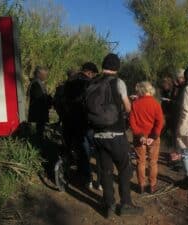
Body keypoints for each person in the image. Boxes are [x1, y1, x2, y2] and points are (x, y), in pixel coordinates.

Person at [91, 53, 144, 218]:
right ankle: (126, 204)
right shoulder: (118, 82)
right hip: (116, 134)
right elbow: (128, 108)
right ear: (117, 67)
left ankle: (109, 205)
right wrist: (129, 102)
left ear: (103, 66)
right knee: (124, 168)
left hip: (98, 134)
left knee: (105, 171)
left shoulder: (93, 82)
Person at [63, 62, 100, 189]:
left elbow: (64, 101)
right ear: (89, 72)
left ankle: (84, 174)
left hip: (71, 121)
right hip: (86, 122)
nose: (92, 76)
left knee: (81, 148)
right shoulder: (88, 83)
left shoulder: (69, 82)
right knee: (91, 148)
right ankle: (91, 177)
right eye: (93, 74)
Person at [129, 81, 164, 194]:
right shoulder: (156, 104)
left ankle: (141, 186)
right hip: (153, 137)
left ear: (141, 90)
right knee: (153, 162)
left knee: (141, 162)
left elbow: (132, 122)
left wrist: (139, 136)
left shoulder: (135, 104)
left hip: (139, 137)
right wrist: (153, 136)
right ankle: (152, 185)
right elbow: (160, 122)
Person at [28, 66, 52, 138]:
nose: (45, 77)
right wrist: (48, 99)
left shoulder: (38, 82)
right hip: (39, 111)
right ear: (38, 74)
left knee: (40, 128)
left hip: (40, 110)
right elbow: (39, 98)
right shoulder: (36, 84)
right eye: (44, 75)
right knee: (39, 128)